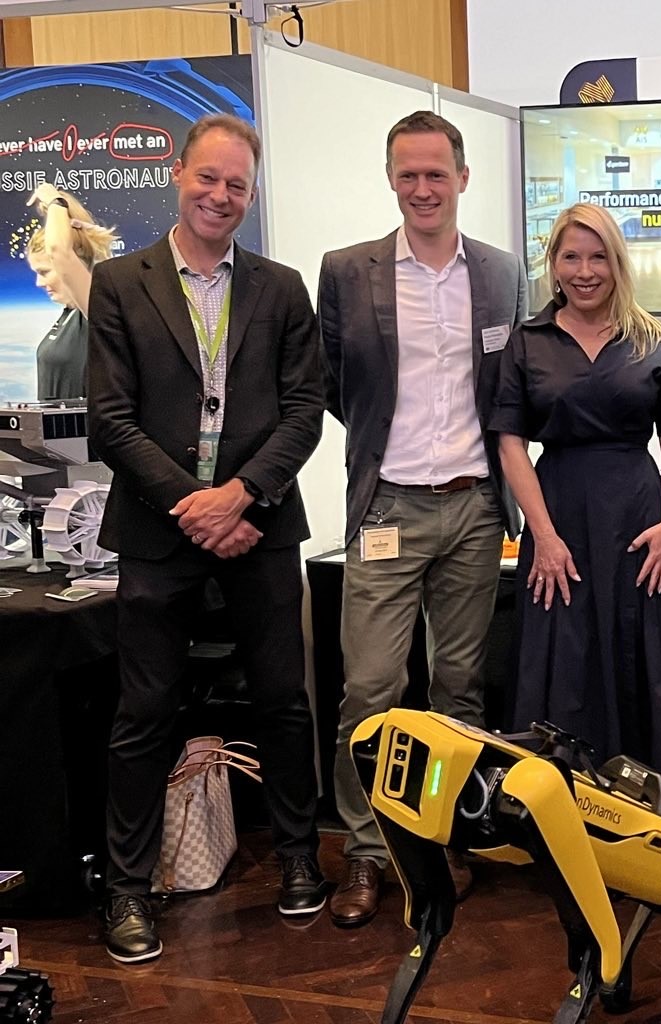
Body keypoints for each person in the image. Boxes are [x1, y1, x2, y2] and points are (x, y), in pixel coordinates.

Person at [87, 112, 328, 964]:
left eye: (237, 186)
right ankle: (126, 892)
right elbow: (110, 420)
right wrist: (193, 505)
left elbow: (305, 413)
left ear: (250, 196)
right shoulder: (120, 283)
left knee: (284, 701)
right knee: (144, 712)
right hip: (159, 532)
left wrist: (237, 497)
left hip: (258, 524)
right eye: (208, 179)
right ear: (178, 175)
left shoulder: (281, 286)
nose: (220, 196)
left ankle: (301, 861)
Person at [318, 110, 530, 928]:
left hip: (476, 508)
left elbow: (507, 385)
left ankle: (443, 839)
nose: (422, 188)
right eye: (408, 173)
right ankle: (368, 855)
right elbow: (337, 383)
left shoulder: (502, 272)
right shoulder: (347, 270)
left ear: (464, 178)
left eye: (436, 173)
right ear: (391, 178)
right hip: (388, 507)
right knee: (370, 690)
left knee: (457, 690)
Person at [491, 202, 661, 779]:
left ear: (618, 263)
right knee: (561, 652)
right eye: (570, 256)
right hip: (559, 515)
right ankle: (553, 800)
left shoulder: (655, 340)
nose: (585, 270)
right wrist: (542, 535)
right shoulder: (528, 341)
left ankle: (641, 801)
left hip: (637, 516)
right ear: (552, 264)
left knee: (635, 647)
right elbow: (509, 444)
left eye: (598, 256)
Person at [24, 183, 118, 400]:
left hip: (86, 434)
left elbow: (60, 250)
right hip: (51, 434)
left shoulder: (98, 308)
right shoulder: (68, 315)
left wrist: (55, 202)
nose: (39, 282)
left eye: (44, 271)